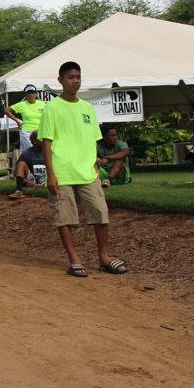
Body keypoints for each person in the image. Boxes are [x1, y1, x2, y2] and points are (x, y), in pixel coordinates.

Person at [40, 61, 127, 278]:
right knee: (65, 217)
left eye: (78, 76)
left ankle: (104, 257)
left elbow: (94, 139)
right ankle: (74, 259)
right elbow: (47, 143)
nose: (75, 81)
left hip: (87, 171)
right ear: (60, 80)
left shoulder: (87, 108)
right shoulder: (51, 108)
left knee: (100, 212)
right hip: (62, 171)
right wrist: (50, 174)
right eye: (70, 77)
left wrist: (96, 160)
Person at [5, 84, 46, 152]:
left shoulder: (42, 104)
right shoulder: (22, 104)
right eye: (28, 93)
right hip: (27, 132)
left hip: (40, 132)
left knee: (42, 152)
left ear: (36, 94)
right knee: (29, 152)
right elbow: (7, 110)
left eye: (32, 92)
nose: (31, 95)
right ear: (26, 95)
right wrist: (17, 121)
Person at [8, 130, 45, 199]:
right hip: (34, 176)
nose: (44, 141)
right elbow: (16, 172)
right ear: (35, 142)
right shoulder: (26, 153)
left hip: (47, 176)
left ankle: (34, 184)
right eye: (42, 139)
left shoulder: (50, 150)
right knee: (21, 163)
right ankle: (19, 190)